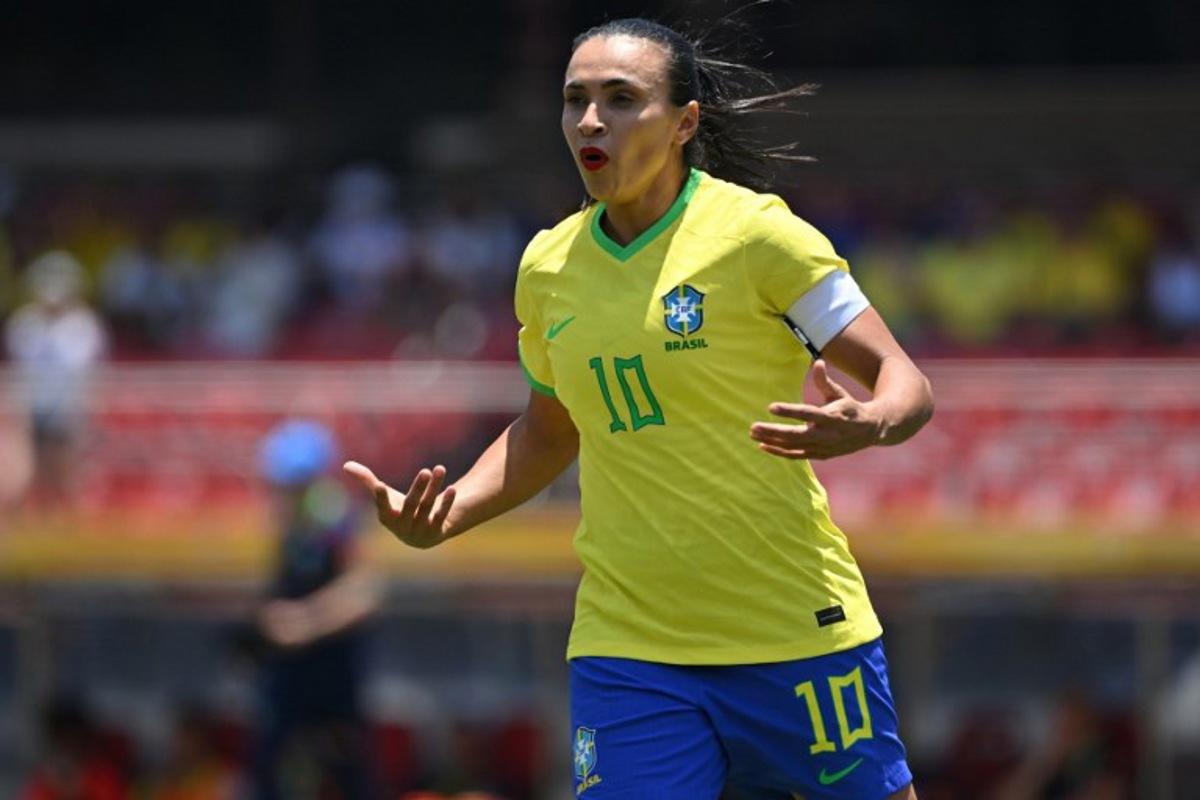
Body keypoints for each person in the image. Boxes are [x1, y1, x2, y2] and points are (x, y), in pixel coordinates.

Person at [345, 17, 933, 800]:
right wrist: (452, 513)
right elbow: (549, 431)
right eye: (575, 100)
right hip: (630, 646)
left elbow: (905, 381)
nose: (591, 121)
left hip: (796, 629)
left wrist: (873, 420)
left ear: (685, 122)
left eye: (621, 99)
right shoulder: (548, 267)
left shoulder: (760, 237)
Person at [251, 419, 382, 800]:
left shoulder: (336, 521)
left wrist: (304, 622)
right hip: (290, 679)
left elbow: (364, 592)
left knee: (348, 773)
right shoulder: (291, 528)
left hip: (333, 677)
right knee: (271, 771)